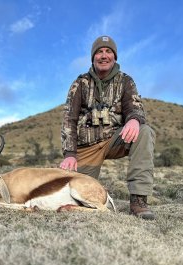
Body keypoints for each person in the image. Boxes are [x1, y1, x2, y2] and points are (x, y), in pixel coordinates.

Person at [60, 35, 156, 220]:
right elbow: (68, 119)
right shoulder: (79, 83)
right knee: (74, 196)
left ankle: (138, 200)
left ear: (114, 56)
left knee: (145, 132)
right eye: (99, 52)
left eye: (108, 51)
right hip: (86, 147)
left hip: (114, 140)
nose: (104, 55)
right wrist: (70, 153)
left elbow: (135, 107)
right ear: (93, 57)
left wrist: (134, 119)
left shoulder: (126, 81)